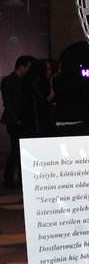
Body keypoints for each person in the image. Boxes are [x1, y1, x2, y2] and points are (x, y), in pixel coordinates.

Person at [1, 55, 34, 188]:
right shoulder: (10, 80)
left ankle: (15, 178)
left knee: (18, 151)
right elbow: (10, 102)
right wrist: (18, 118)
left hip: (18, 120)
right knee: (16, 151)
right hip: (15, 121)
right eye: (28, 67)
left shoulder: (17, 80)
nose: (29, 70)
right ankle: (9, 179)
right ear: (22, 66)